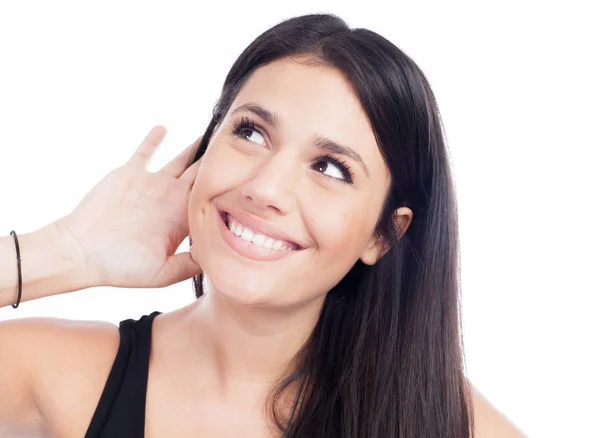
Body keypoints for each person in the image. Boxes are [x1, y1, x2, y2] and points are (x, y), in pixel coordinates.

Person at [0, 13, 524, 438]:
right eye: (251, 133)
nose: (266, 189)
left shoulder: (442, 422)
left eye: (330, 169)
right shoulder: (66, 374)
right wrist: (66, 252)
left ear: (382, 234)